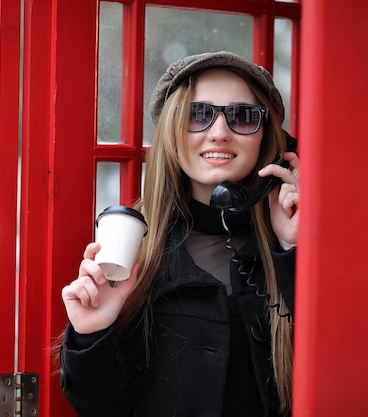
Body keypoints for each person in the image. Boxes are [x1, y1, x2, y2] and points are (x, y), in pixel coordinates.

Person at [59, 51, 300, 417]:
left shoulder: (290, 243)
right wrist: (92, 335)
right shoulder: (130, 244)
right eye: (197, 115)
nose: (219, 133)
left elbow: (336, 375)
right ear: (172, 130)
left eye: (243, 116)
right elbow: (102, 408)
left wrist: (292, 250)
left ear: (270, 139)